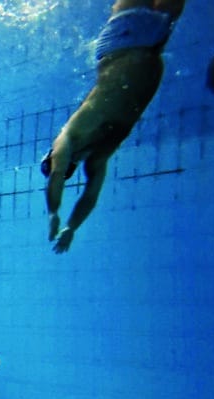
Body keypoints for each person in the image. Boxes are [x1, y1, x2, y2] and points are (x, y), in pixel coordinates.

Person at [42, 0, 185, 253]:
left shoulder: (68, 137)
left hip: (121, 45)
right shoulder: (97, 157)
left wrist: (54, 213)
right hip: (151, 49)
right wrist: (71, 227)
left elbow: (57, 175)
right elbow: (90, 196)